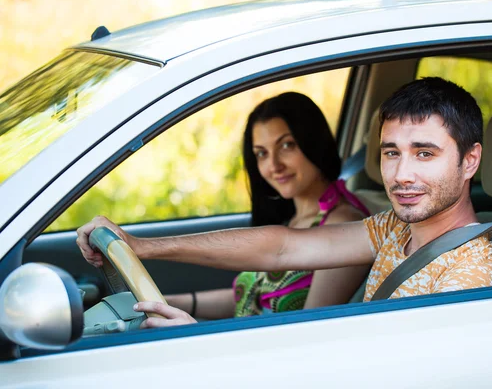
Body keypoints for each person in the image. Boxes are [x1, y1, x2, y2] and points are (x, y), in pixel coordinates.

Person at [77, 77, 492, 328]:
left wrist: (205, 346)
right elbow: (284, 247)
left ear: (470, 159)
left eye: (425, 153)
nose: (401, 176)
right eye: (391, 152)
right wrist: (143, 245)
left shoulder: (470, 277)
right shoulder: (393, 228)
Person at [107, 92, 371, 321]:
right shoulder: (294, 218)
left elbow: (308, 328)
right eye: (261, 153)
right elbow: (250, 297)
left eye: (287, 146)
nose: (273, 165)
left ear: (314, 142)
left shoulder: (342, 225)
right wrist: (168, 302)